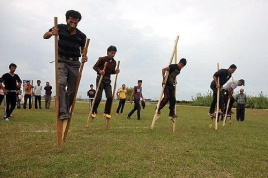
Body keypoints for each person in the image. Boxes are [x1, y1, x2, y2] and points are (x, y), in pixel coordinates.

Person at [43, 10, 87, 120]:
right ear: (67, 19)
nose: (73, 25)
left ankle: (66, 108)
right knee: (61, 83)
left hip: (74, 63)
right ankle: (62, 112)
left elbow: (83, 50)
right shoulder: (59, 28)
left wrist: (85, 56)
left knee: (73, 89)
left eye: (75, 23)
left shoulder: (81, 36)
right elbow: (45, 36)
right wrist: (52, 33)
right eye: (71, 22)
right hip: (61, 60)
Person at [91, 45, 119, 119]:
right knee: (98, 96)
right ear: (108, 52)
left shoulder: (114, 62)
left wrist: (115, 72)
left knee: (110, 96)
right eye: (112, 53)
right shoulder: (102, 59)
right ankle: (93, 110)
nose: (113, 55)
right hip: (100, 78)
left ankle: (106, 112)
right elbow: (95, 67)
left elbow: (111, 71)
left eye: (114, 53)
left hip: (107, 80)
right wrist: (100, 71)